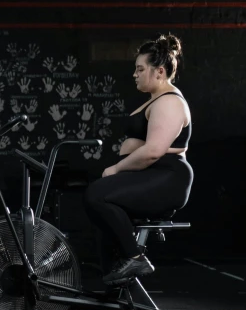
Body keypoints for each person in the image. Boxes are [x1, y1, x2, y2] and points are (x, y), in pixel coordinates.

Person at [83, 33, 193, 286]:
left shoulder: (169, 103)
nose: (135, 74)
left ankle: (134, 257)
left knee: (97, 195)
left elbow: (154, 151)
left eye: (140, 69)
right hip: (152, 174)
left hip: (167, 177)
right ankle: (112, 302)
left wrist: (117, 168)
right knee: (103, 223)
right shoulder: (156, 100)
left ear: (160, 71)